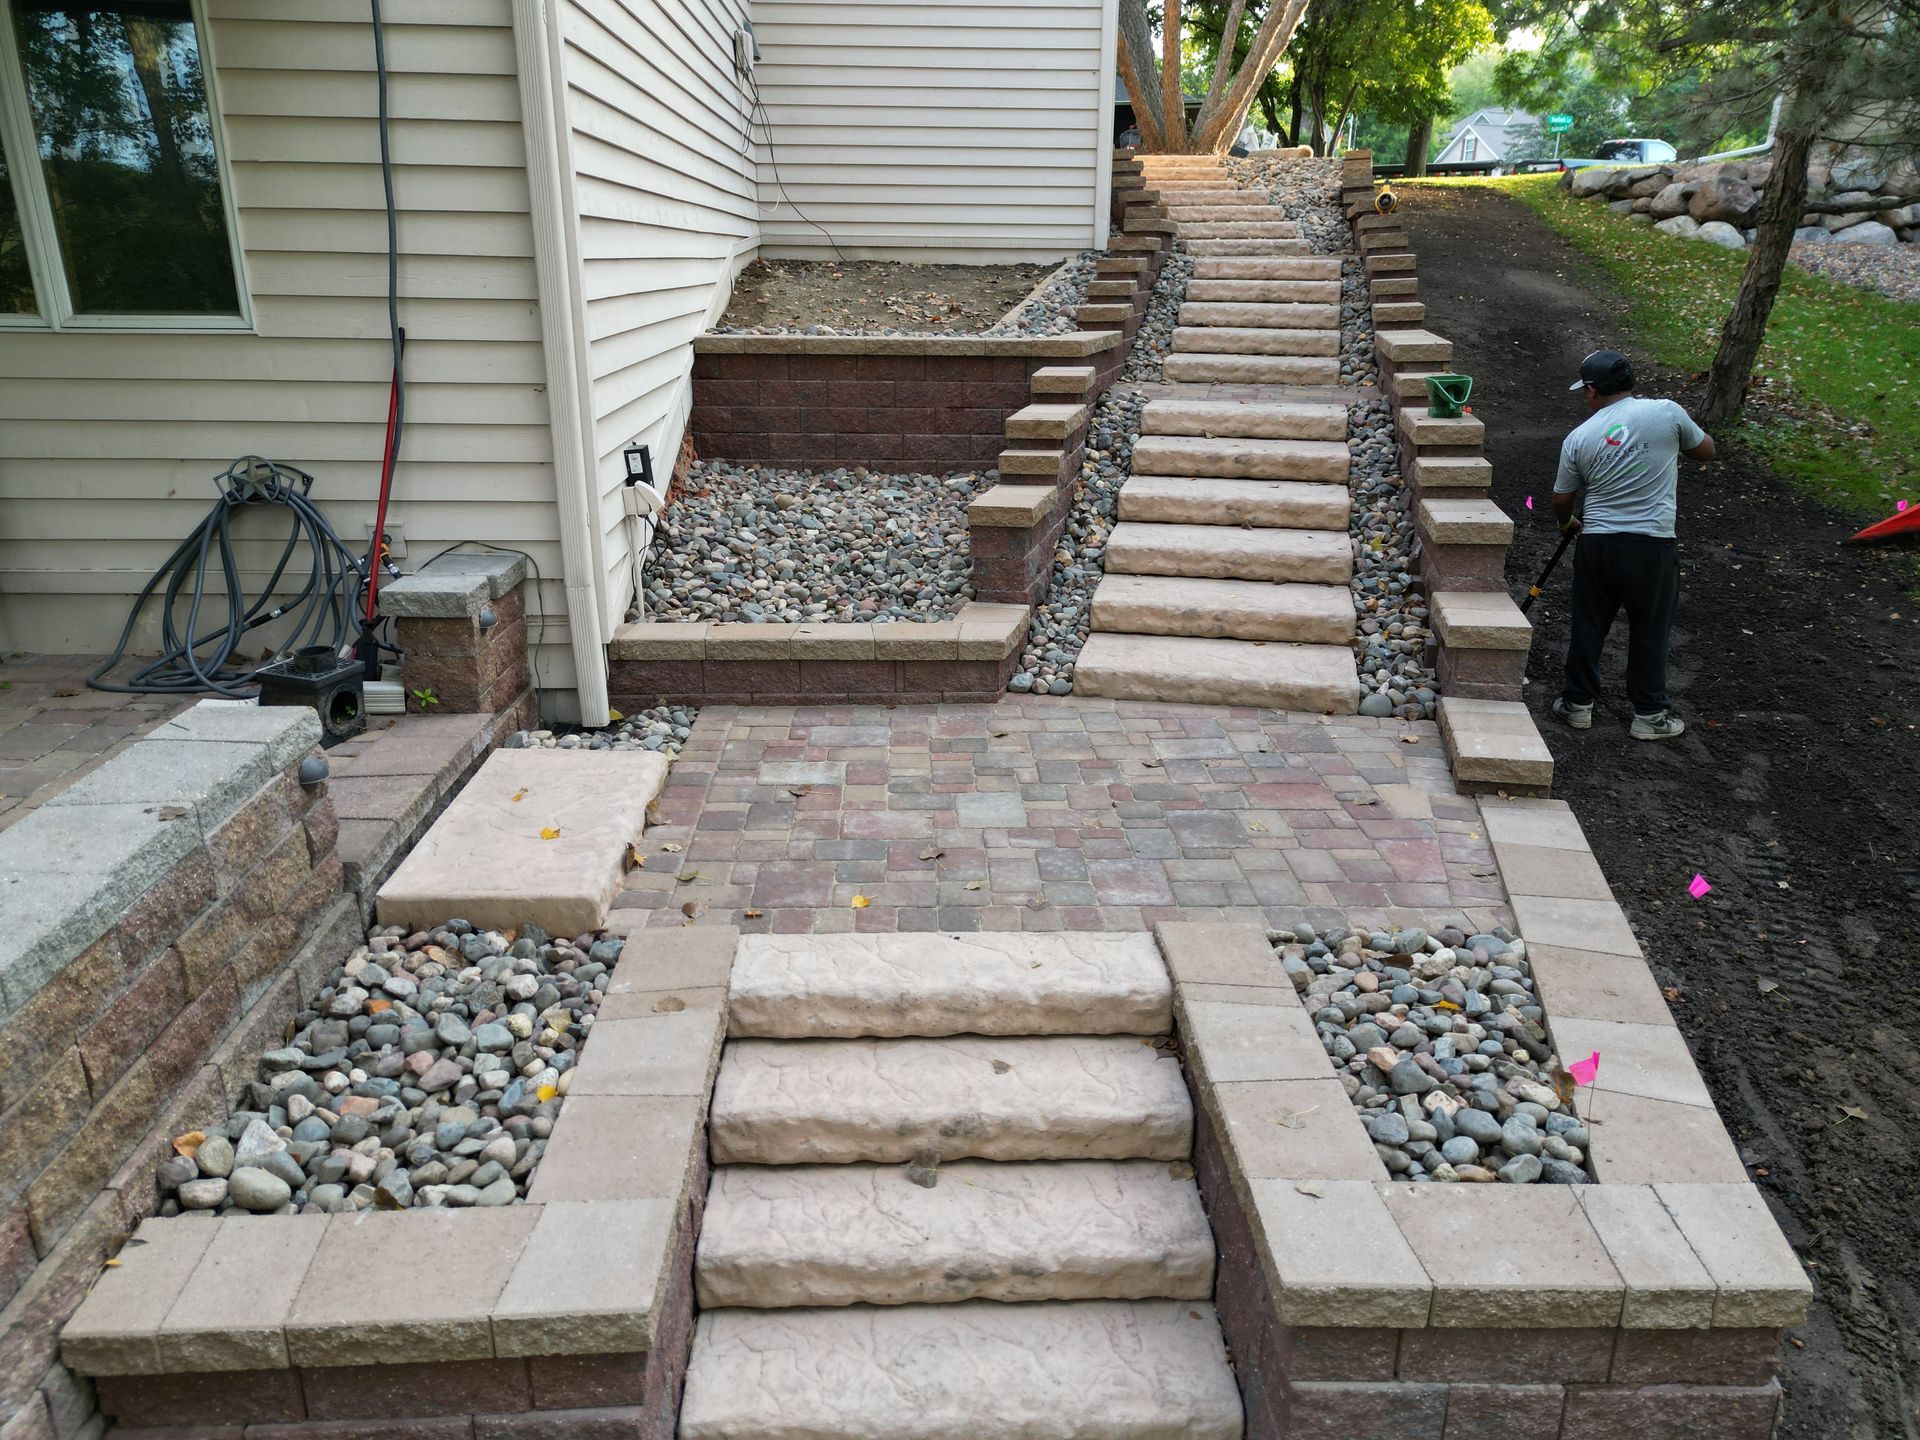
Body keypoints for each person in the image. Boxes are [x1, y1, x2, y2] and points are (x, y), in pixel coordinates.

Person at [1550, 349, 1716, 741]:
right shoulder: (1667, 413)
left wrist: (1566, 524)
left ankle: (1577, 705)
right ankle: (1650, 715)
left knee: (1589, 624)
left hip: (1598, 545)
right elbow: (1706, 451)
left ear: (1591, 390)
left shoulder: (1579, 437)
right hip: (1652, 546)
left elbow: (1561, 498)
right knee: (1650, 630)